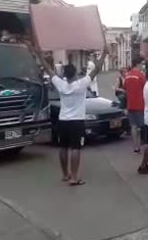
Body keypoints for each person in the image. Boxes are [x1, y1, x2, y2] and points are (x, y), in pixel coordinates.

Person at [31, 42, 108, 186]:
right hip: (76, 121)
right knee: (75, 148)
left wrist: (39, 54)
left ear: (65, 74)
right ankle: (74, 177)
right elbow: (96, 69)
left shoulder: (61, 84)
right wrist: (104, 54)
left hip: (63, 120)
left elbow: (48, 69)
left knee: (63, 147)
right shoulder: (81, 84)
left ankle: (65, 175)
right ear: (76, 73)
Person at [125, 58, 146, 153]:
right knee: (142, 126)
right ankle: (143, 145)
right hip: (140, 104)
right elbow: (146, 88)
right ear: (137, 64)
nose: (143, 66)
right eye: (142, 64)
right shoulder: (141, 75)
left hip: (130, 104)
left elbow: (125, 88)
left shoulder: (127, 76)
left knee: (133, 126)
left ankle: (135, 147)